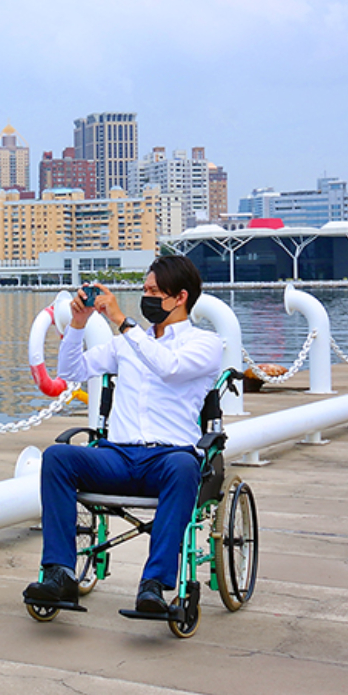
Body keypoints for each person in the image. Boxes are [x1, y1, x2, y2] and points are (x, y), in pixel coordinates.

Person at [24, 255, 223, 616]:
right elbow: (70, 370)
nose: (146, 297)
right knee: (57, 457)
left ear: (180, 297)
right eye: (144, 289)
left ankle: (153, 585)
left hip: (168, 458)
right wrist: (79, 325)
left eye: (154, 291)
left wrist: (120, 321)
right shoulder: (126, 344)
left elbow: (168, 367)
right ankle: (59, 573)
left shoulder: (205, 343)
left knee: (184, 467)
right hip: (118, 456)